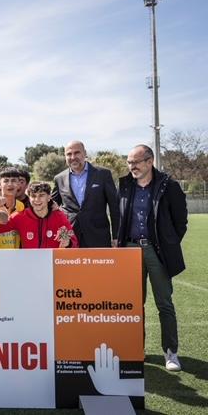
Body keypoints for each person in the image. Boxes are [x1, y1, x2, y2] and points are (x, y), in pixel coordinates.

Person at [117, 144, 187, 372]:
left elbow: (180, 223)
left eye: (136, 162)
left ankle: (171, 352)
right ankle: (138, 349)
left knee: (164, 304)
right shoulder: (125, 185)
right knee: (134, 305)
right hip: (130, 250)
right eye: (129, 162)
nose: (132, 166)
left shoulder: (169, 186)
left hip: (156, 251)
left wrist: (167, 243)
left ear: (150, 161)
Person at [52, 140, 119, 247]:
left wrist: (116, 236)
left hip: (98, 237)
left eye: (77, 152)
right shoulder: (59, 178)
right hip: (70, 238)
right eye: (69, 154)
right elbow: (51, 206)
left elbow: (114, 207)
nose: (73, 157)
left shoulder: (103, 174)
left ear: (85, 153)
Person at [0, 182, 78, 249]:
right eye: (33, 196)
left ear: (49, 197)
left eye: (41, 195)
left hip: (52, 264)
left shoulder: (59, 216)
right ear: (29, 198)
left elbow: (74, 243)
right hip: (29, 264)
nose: (37, 200)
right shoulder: (19, 217)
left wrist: (68, 243)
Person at [0, 167, 26, 248]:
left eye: (13, 180)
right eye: (6, 181)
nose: (10, 184)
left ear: (19, 184)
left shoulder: (21, 206)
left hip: (15, 256)